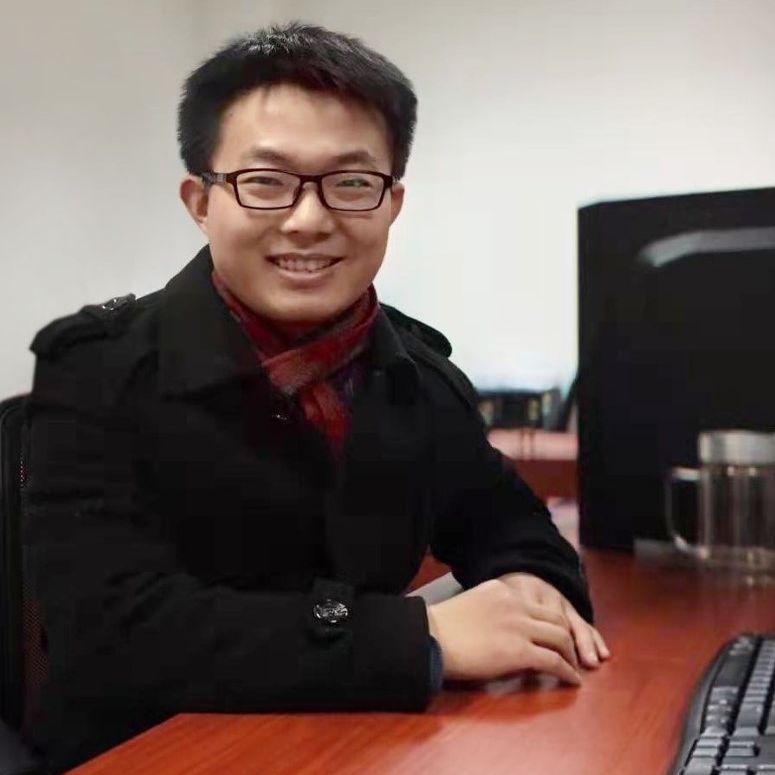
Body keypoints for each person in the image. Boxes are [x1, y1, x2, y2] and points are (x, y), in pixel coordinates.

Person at [23, 22, 609, 773]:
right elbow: (112, 634)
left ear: (393, 202)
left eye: (352, 183)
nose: (308, 220)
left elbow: (518, 532)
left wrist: (527, 587)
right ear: (200, 201)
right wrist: (421, 636)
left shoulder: (415, 375)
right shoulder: (97, 370)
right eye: (265, 182)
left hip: (357, 748)